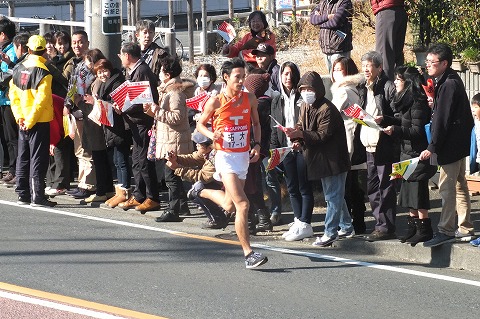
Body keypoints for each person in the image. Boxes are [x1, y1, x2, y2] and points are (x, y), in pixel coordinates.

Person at [196, 58, 268, 269]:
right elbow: (200, 124)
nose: (241, 81)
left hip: (242, 156)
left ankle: (200, 191)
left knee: (228, 204)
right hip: (225, 157)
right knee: (243, 204)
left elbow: (256, 123)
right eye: (237, 77)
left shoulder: (250, 98)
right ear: (226, 78)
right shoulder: (215, 101)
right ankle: (249, 254)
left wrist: (256, 145)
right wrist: (212, 133)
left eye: (243, 77)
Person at [285, 71, 353, 247]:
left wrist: (300, 134)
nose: (306, 92)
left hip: (334, 159)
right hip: (322, 159)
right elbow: (301, 126)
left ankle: (330, 232)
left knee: (332, 197)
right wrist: (296, 138)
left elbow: (322, 135)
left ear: (318, 89)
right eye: (303, 88)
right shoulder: (305, 107)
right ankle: (346, 226)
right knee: (335, 195)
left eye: (309, 88)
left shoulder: (327, 109)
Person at [420, 43, 475, 247]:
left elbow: (442, 120)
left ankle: (446, 229)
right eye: (427, 62)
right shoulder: (448, 80)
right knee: (460, 185)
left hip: (450, 145)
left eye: (431, 62)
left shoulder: (448, 83)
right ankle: (465, 227)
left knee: (446, 188)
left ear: (444, 63)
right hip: (457, 143)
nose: (428, 66)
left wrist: (432, 146)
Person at [383, 66, 436, 246]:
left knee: (418, 193)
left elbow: (416, 130)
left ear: (407, 82)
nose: (395, 83)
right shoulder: (405, 100)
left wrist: (395, 130)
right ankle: (413, 228)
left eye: (398, 79)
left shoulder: (417, 101)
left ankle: (424, 229)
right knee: (407, 193)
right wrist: (385, 119)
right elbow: (403, 121)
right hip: (406, 152)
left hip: (418, 154)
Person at [9, 35, 56, 207]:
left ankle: (23, 194)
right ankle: (38, 196)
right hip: (38, 120)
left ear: (28, 50)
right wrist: (30, 120)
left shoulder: (18, 68)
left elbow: (13, 96)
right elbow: (41, 100)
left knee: (23, 157)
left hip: (22, 119)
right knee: (38, 158)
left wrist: (20, 117)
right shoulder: (44, 71)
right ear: (43, 50)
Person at [145, 56, 193, 220]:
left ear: (167, 74)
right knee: (175, 176)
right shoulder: (169, 90)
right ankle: (182, 206)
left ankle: (173, 210)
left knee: (171, 177)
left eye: (160, 71)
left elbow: (177, 117)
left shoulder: (174, 93)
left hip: (174, 141)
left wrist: (156, 111)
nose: (158, 74)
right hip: (172, 139)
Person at [270, 61, 314, 240]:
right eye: (285, 74)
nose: (288, 77)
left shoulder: (302, 98)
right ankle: (297, 220)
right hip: (285, 148)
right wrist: (274, 149)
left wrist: (299, 139)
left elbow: (306, 123)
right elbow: (274, 126)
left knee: (304, 186)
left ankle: (305, 223)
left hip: (302, 147)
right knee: (291, 187)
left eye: (291, 73)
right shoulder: (277, 99)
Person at [357, 51, 398, 241]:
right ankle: (378, 224)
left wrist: (386, 120)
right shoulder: (363, 87)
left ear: (379, 68)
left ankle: (386, 227)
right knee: (372, 187)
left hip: (384, 143)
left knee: (386, 186)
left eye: (370, 65)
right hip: (368, 142)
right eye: (364, 65)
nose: (366, 69)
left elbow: (398, 116)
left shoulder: (388, 86)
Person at [117, 42, 160, 212]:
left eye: (121, 54)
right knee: (136, 159)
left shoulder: (142, 71)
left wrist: (123, 108)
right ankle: (139, 194)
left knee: (144, 161)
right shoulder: (134, 71)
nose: (120, 58)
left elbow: (142, 99)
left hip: (143, 121)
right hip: (135, 122)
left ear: (127, 56)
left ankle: (153, 197)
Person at [330, 56, 367, 234]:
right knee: (352, 185)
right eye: (334, 69)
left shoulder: (344, 91)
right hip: (353, 140)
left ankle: (349, 222)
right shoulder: (356, 88)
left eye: (340, 69)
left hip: (346, 141)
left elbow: (330, 115)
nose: (336, 72)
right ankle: (356, 221)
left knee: (345, 185)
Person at [170, 131, 230, 229]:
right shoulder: (209, 152)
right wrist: (176, 158)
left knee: (196, 190)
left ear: (210, 146)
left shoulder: (215, 157)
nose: (196, 145)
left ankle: (218, 219)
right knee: (197, 189)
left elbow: (202, 177)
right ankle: (222, 214)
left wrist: (177, 168)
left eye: (200, 144)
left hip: (226, 186)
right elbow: (194, 158)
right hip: (221, 184)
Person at [93, 58, 132, 208]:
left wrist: (102, 103)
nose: (102, 75)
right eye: (99, 72)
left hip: (119, 126)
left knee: (122, 161)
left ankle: (125, 191)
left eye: (104, 71)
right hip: (110, 126)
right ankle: (120, 191)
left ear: (110, 69)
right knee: (116, 160)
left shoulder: (117, 83)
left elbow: (120, 105)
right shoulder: (104, 84)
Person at [64, 30, 97, 199]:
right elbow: (72, 87)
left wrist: (74, 103)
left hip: (85, 111)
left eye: (81, 42)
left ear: (87, 43)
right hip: (75, 110)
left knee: (85, 149)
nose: (77, 45)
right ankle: (82, 182)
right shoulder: (77, 63)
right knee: (79, 149)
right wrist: (67, 104)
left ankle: (88, 185)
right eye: (74, 42)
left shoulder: (90, 65)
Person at [243, 71, 273, 233]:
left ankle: (257, 218)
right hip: (256, 148)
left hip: (254, 148)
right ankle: (258, 218)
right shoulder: (262, 103)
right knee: (252, 183)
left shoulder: (259, 104)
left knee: (250, 184)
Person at [310, 0, 353, 73]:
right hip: (326, 48)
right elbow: (312, 19)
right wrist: (327, 17)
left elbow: (335, 22)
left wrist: (319, 22)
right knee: (332, 78)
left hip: (340, 47)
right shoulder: (323, 2)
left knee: (343, 78)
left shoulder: (345, 2)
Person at [370, 0, 407, 80]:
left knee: (384, 55)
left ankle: (386, 89)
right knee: (397, 54)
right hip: (398, 8)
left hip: (386, 10)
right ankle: (399, 87)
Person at [0, 17, 18, 186]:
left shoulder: (11, 51)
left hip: (9, 99)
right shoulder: (5, 49)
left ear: (3, 35)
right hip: (3, 98)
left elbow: (9, 74)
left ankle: (16, 170)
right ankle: (11, 169)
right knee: (7, 137)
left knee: (13, 137)